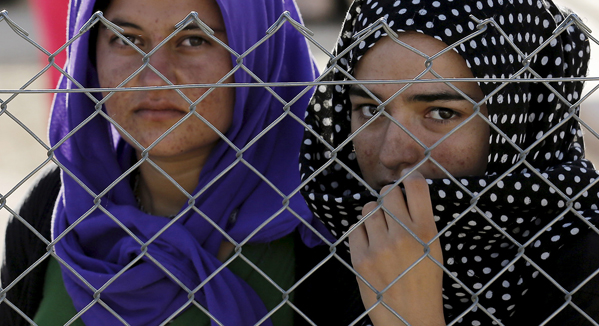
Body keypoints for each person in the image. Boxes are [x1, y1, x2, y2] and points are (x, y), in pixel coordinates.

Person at [300, 0, 599, 325]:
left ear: (519, 118)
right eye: (371, 109)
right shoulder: (330, 239)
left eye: (441, 113)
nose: (392, 153)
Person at [0, 0, 349, 325]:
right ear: (89, 56)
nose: (154, 77)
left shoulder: (329, 222)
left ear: (259, 49)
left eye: (193, 40)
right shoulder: (55, 212)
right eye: (126, 39)